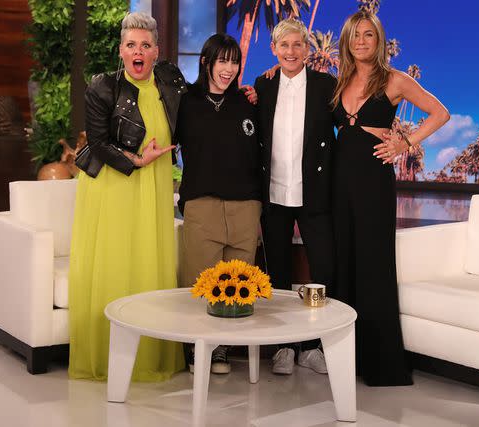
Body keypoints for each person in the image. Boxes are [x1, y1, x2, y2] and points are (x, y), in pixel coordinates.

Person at [332, 11, 449, 386]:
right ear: (348, 41)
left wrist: (405, 142)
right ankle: (344, 360)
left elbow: (440, 113)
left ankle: (381, 364)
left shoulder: (395, 80)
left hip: (372, 182)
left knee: (372, 265)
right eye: (355, 35)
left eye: (369, 34)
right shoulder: (341, 79)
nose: (362, 41)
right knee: (344, 263)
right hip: (339, 181)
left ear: (378, 40)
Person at [68, 12, 187, 381]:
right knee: (117, 260)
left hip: (153, 182)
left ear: (156, 52)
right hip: (113, 183)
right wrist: (137, 160)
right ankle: (109, 357)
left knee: (148, 260)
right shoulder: (102, 87)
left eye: (146, 45)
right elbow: (99, 143)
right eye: (131, 44)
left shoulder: (171, 81)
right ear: (121, 50)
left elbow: (199, 109)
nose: (139, 51)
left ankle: (150, 353)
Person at [254, 18, 337, 376]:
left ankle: (313, 344)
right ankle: (284, 345)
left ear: (307, 50)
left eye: (297, 45)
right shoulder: (264, 83)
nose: (290, 51)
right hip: (273, 191)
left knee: (321, 268)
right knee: (279, 271)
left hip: (313, 192)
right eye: (283, 46)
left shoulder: (325, 85)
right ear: (274, 50)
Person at [176, 34, 262, 374]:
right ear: (206, 62)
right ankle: (199, 348)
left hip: (245, 207)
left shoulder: (248, 104)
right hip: (202, 204)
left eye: (234, 61)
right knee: (198, 282)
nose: (228, 69)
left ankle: (222, 349)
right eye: (222, 61)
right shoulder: (186, 103)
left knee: (235, 286)